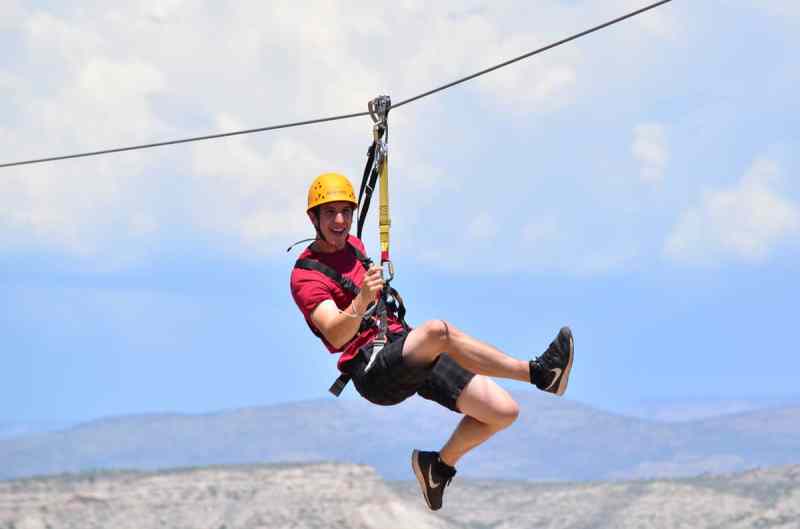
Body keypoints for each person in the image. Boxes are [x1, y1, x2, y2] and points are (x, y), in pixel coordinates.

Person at [290, 172, 574, 511]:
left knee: (502, 412)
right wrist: (363, 297)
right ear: (314, 219)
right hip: (373, 371)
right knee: (438, 332)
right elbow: (335, 332)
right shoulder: (306, 276)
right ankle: (539, 374)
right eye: (330, 213)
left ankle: (437, 468)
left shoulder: (354, 246)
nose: (340, 220)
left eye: (345, 211)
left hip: (402, 348)